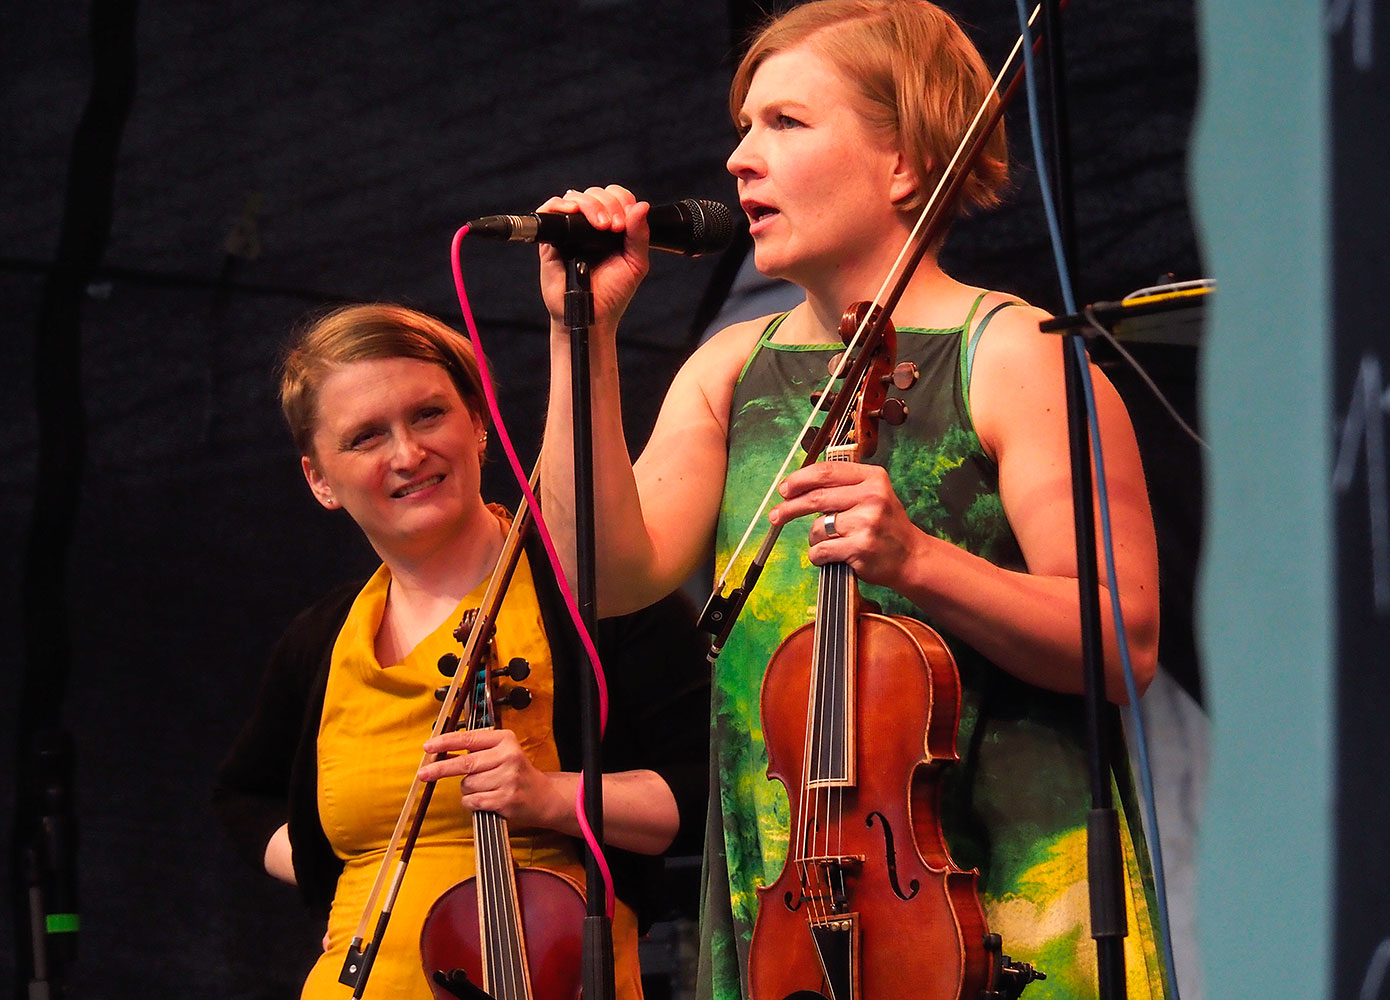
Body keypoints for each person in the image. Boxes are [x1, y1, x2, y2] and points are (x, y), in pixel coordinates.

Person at [534, 2, 1167, 999]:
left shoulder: (1014, 355)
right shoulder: (733, 367)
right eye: (743, 126)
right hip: (789, 900)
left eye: (784, 124)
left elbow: (1122, 641)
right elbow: (600, 575)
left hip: (1003, 899)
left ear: (906, 162)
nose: (741, 159)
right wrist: (584, 337)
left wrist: (919, 561)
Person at [213, 303, 709, 1000]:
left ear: (478, 423)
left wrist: (553, 798)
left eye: (427, 415)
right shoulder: (321, 640)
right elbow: (242, 797)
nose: (408, 455)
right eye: (364, 438)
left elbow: (708, 789)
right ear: (318, 479)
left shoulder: (599, 597)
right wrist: (340, 880)